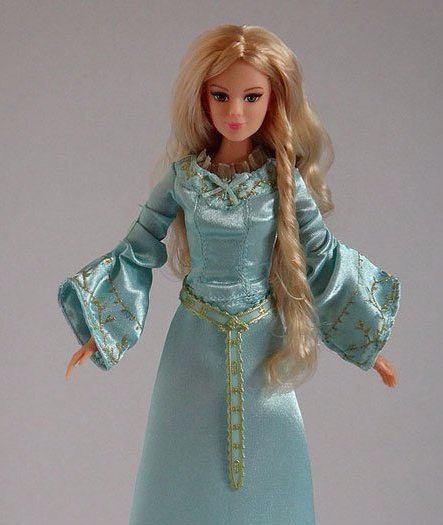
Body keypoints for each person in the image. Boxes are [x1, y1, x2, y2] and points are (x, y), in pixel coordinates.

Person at [58, 24, 401, 525]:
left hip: (264, 346)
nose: (235, 111)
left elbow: (322, 255)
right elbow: (139, 247)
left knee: (272, 471)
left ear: (274, 99)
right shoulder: (183, 178)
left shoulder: (282, 182)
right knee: (182, 466)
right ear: (202, 98)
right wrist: (101, 328)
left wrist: (368, 341)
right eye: (221, 96)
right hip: (193, 344)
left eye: (251, 96)